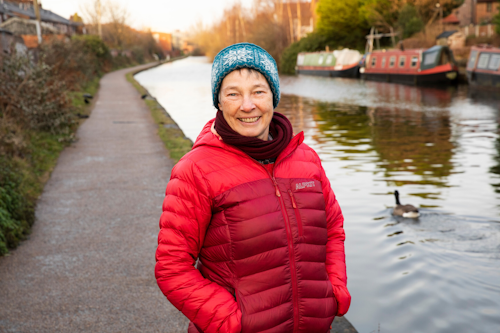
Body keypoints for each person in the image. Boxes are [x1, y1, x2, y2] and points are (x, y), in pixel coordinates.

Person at [155, 43, 350, 333]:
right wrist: (231, 321)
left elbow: (333, 229)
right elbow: (171, 266)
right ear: (218, 101)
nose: (248, 105)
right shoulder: (196, 170)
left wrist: (334, 290)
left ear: (274, 96)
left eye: (258, 91)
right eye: (233, 93)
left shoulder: (306, 159)